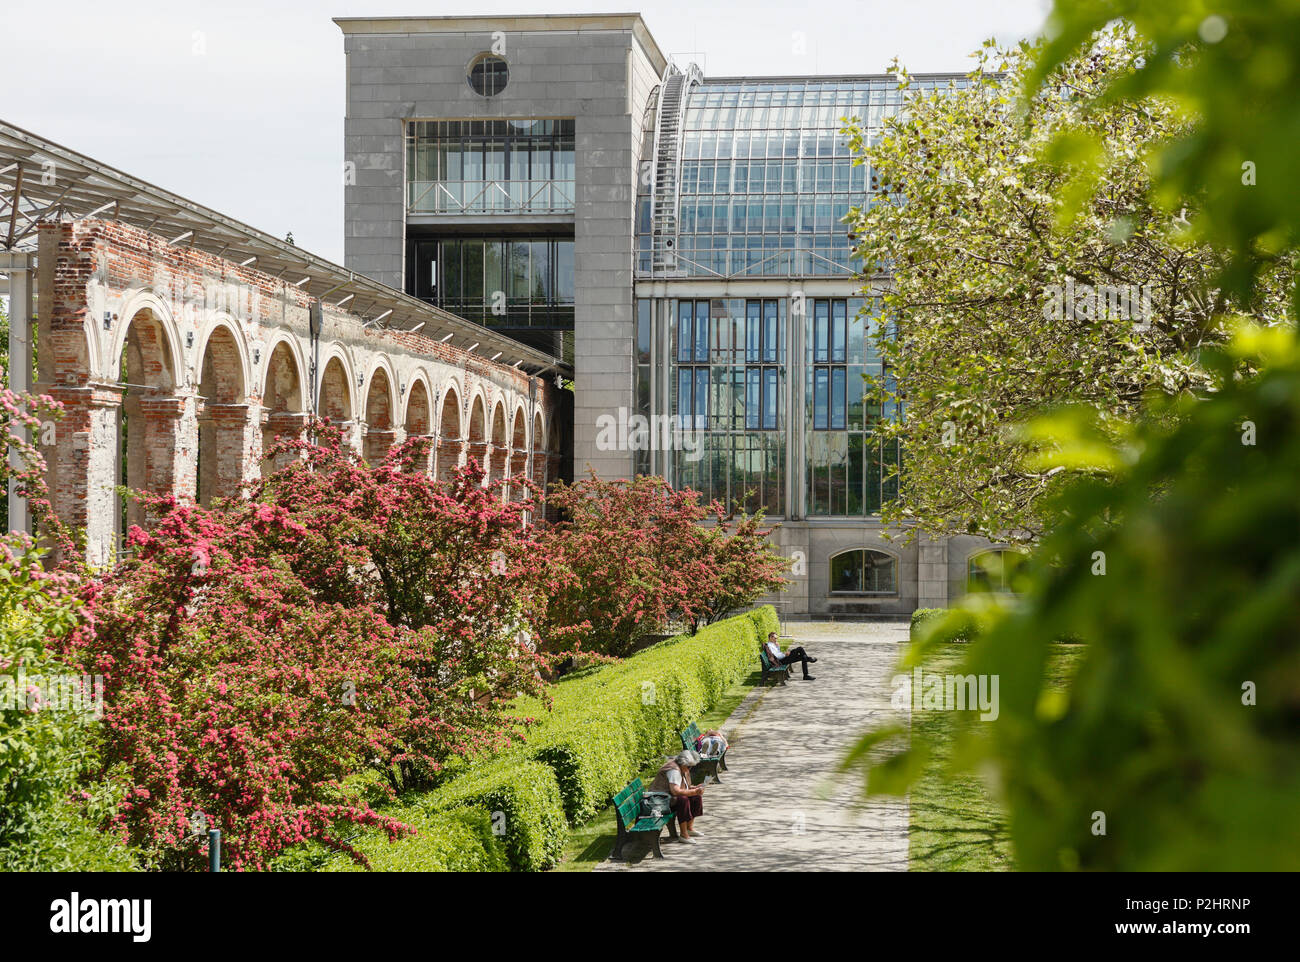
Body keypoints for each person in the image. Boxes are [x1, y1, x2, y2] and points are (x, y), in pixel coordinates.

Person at [649, 750, 705, 841]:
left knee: (696, 797)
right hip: (660, 801)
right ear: (683, 763)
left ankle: (689, 828)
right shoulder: (673, 770)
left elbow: (683, 786)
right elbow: (675, 791)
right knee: (683, 800)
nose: (690, 769)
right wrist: (694, 791)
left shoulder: (681, 767)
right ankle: (683, 834)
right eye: (689, 767)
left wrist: (694, 788)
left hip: (668, 798)